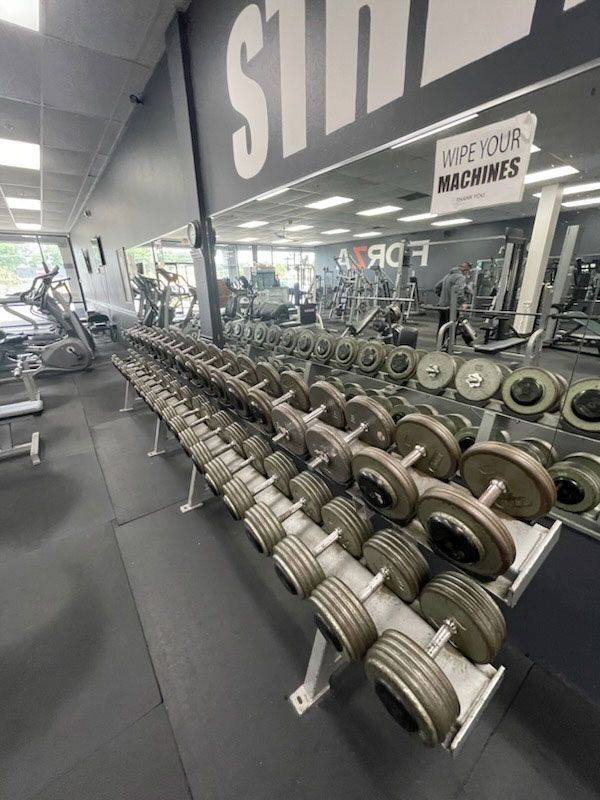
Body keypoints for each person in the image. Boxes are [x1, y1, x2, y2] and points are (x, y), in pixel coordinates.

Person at [435, 261, 472, 331]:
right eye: (468, 272)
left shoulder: (447, 276)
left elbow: (437, 288)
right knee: (451, 330)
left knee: (442, 329)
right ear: (465, 270)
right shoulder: (460, 277)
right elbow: (459, 291)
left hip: (442, 306)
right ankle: (450, 342)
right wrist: (463, 303)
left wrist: (443, 297)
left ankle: (441, 342)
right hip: (451, 308)